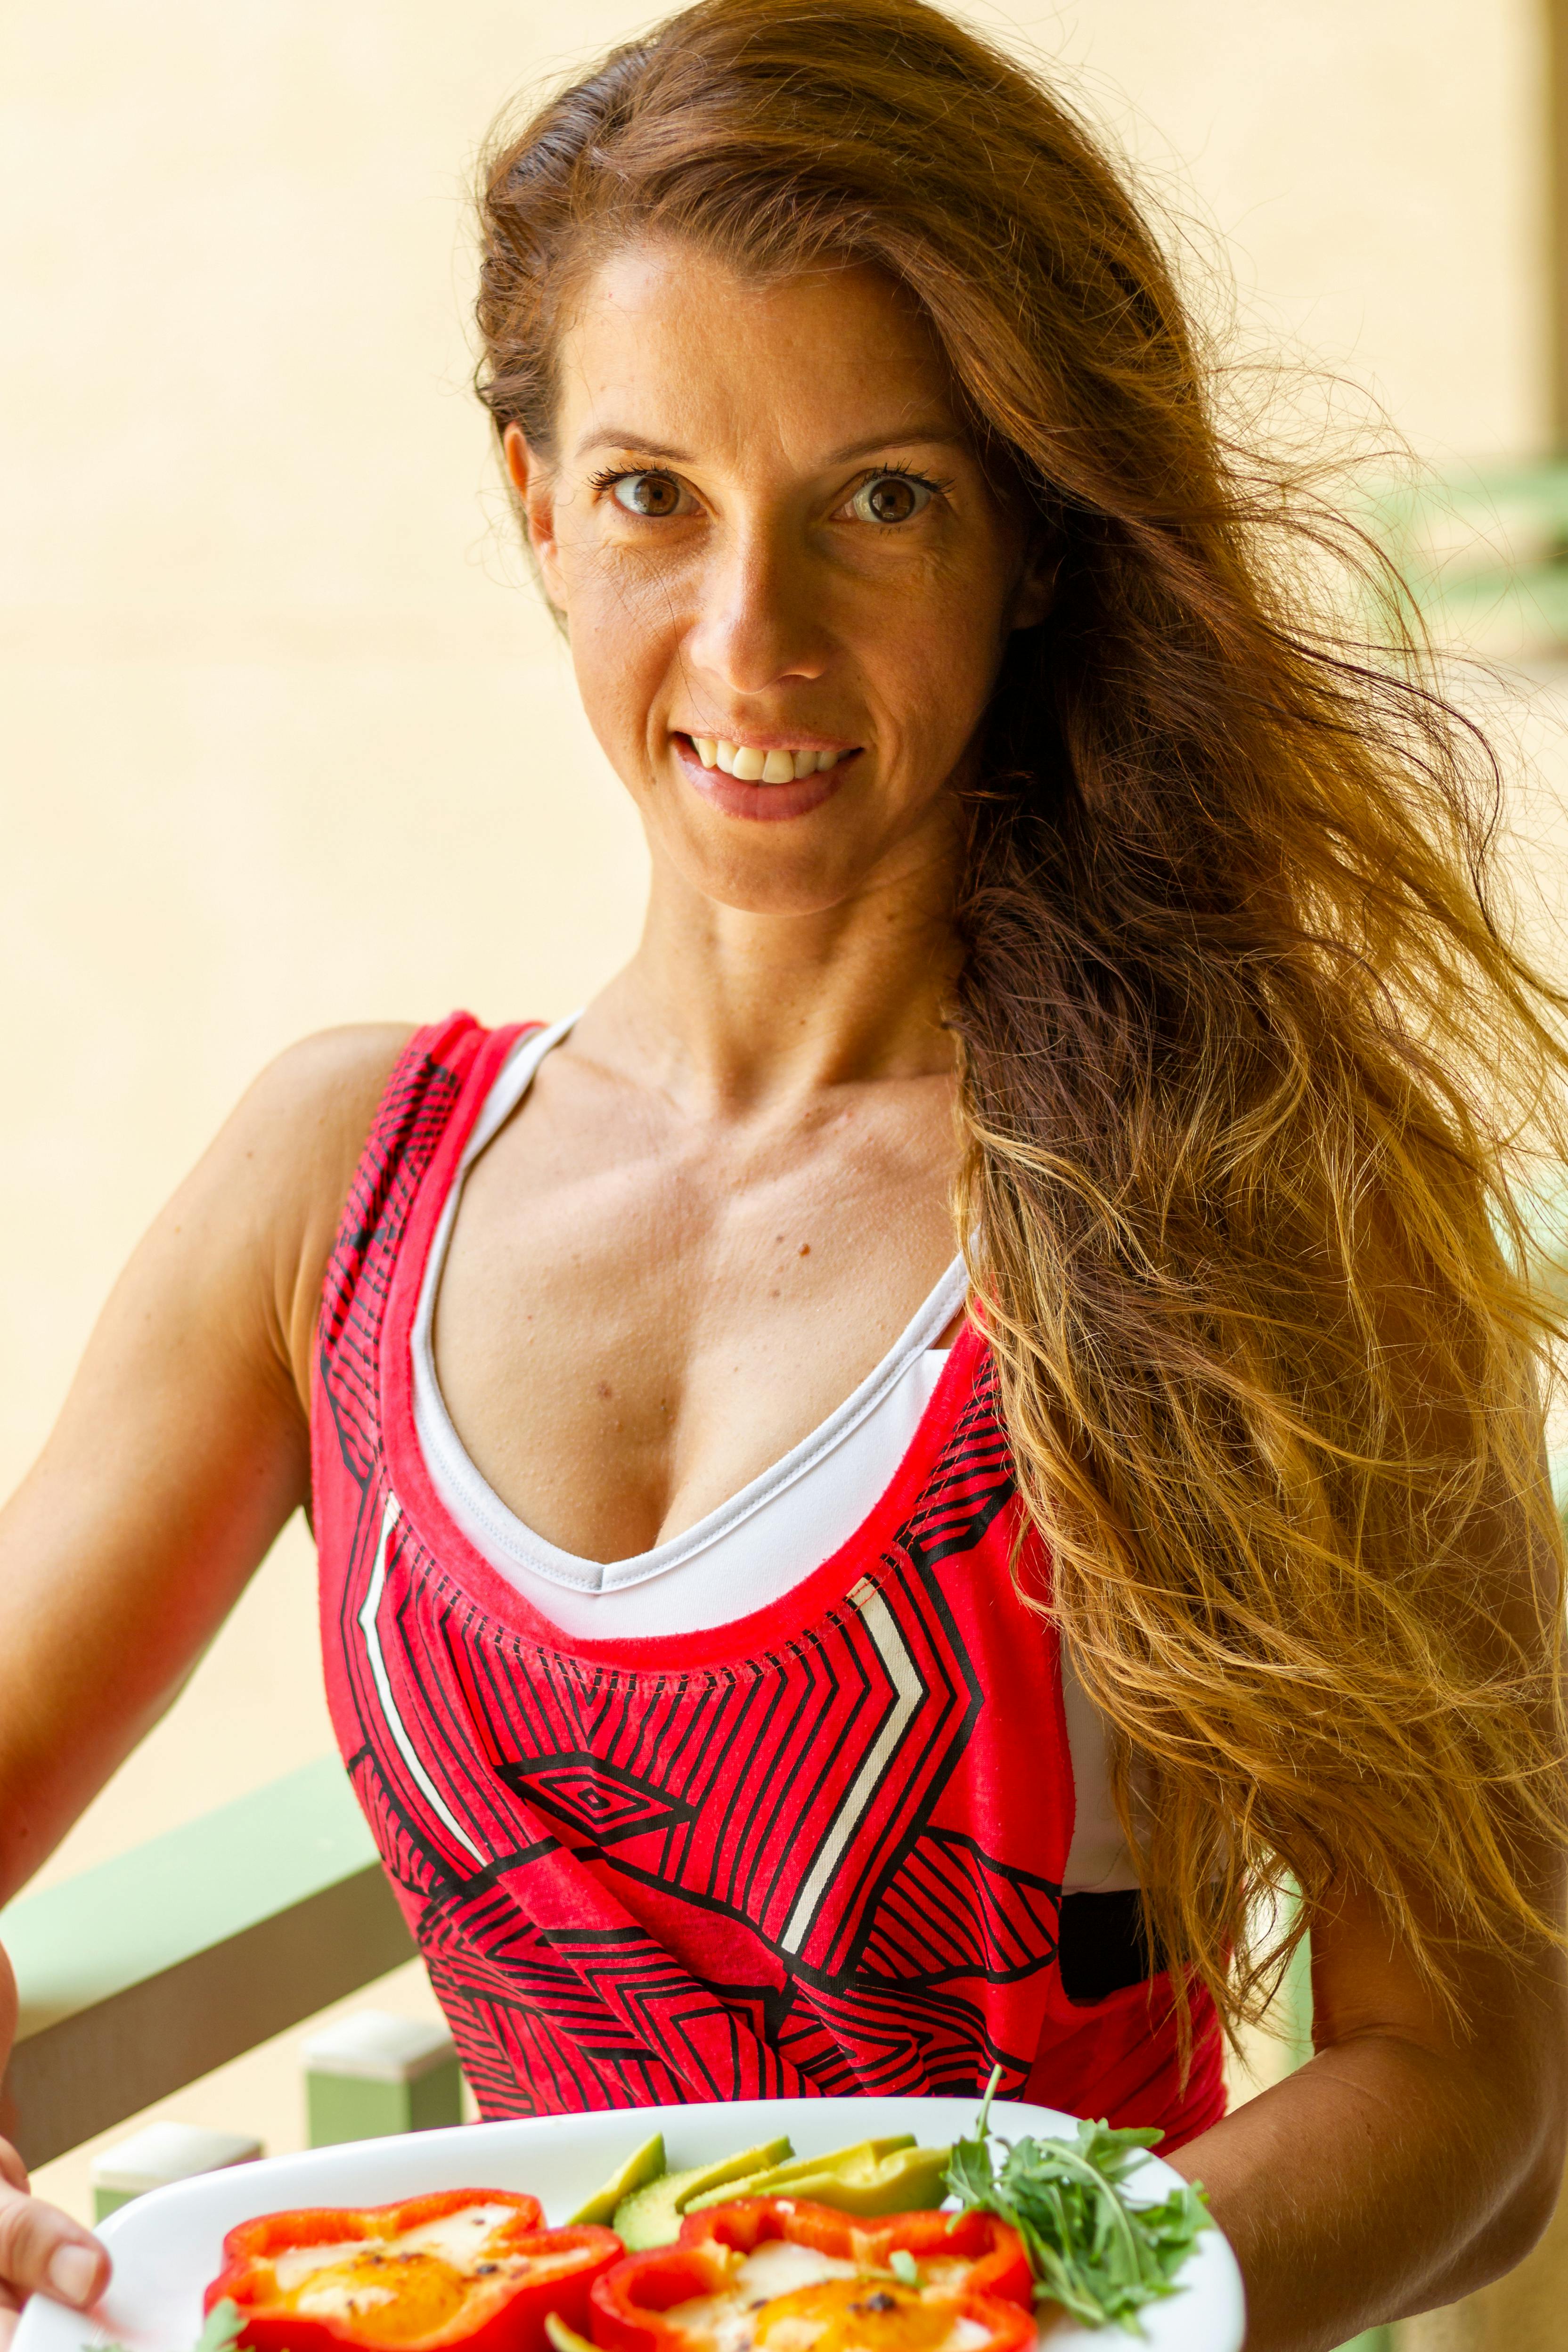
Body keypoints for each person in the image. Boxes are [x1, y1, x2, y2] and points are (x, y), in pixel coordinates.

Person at [2, 0, 1566, 2343]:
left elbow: (1470, 2093)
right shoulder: (337, 1184)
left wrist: (985, 2320)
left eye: (883, 498)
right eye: (652, 495)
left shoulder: (1245, 1205)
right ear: (536, 506)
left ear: (1033, 537)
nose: (755, 640)